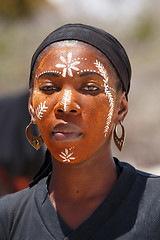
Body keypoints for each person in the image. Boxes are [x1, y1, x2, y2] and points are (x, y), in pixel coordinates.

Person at [0, 23, 160, 239]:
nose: (66, 105)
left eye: (90, 88)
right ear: (32, 106)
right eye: (49, 88)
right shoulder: (8, 219)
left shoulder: (155, 205)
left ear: (120, 108)